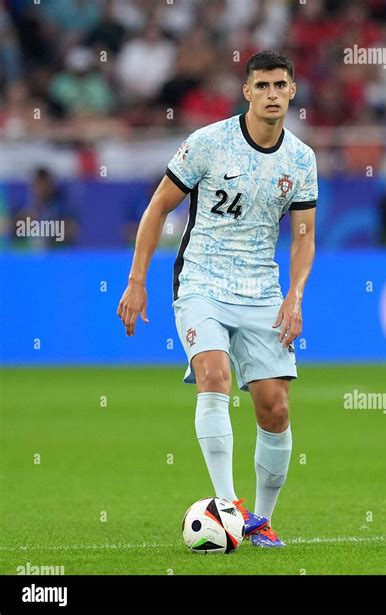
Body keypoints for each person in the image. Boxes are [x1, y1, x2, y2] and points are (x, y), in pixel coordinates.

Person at [117, 50, 318, 548]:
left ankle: (262, 521)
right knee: (213, 375)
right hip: (202, 280)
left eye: (280, 86)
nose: (272, 94)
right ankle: (228, 506)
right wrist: (137, 279)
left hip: (261, 290)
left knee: (274, 408)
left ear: (292, 91)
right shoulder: (208, 143)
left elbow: (304, 235)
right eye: (262, 86)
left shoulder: (301, 159)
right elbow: (158, 206)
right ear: (246, 91)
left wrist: (294, 297)